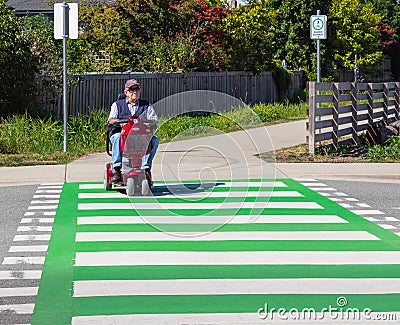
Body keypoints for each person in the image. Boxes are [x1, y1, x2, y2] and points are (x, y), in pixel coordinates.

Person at [108, 79, 159, 183]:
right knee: (117, 137)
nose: (134, 92)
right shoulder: (117, 105)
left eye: (137, 89)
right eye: (131, 89)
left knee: (154, 139)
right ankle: (116, 169)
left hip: (141, 136)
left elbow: (154, 120)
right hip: (122, 135)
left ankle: (145, 168)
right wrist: (120, 122)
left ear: (140, 91)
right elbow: (111, 119)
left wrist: (147, 123)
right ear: (126, 92)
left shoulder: (146, 105)